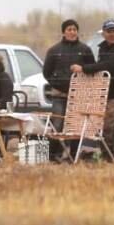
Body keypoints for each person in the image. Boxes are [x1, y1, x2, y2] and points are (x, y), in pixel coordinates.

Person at [80, 19, 114, 161]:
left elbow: (108, 66)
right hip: (107, 92)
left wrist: (84, 68)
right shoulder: (103, 48)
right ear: (103, 33)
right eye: (109, 31)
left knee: (107, 124)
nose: (111, 34)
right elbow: (100, 65)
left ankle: (106, 156)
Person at [42, 19, 96, 161]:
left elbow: (93, 69)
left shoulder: (85, 50)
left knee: (76, 126)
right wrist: (57, 83)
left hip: (78, 95)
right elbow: (46, 72)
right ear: (63, 32)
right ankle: (53, 156)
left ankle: (73, 156)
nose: (72, 32)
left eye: (74, 29)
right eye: (69, 29)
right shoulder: (54, 50)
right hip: (59, 94)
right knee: (57, 125)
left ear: (77, 32)